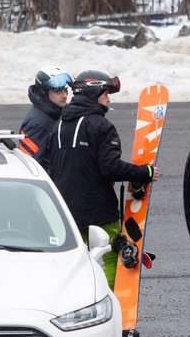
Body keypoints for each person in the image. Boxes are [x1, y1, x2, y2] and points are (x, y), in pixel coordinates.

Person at [47, 69, 153, 290]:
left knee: (79, 261)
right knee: (112, 255)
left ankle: (81, 304)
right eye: (106, 93)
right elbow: (111, 168)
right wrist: (144, 172)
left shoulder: (57, 126)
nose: (108, 98)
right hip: (99, 211)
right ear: (94, 92)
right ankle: (108, 305)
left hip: (66, 211)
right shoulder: (101, 126)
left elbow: (48, 166)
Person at [19, 65, 71, 169]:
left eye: (65, 90)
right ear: (44, 92)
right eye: (58, 91)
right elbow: (28, 164)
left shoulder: (58, 113)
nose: (64, 95)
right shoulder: (36, 124)